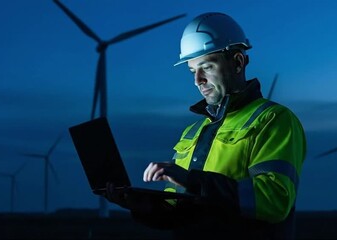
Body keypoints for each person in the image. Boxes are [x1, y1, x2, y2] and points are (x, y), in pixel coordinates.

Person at [105, 12, 306, 239]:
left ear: (238, 62)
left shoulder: (273, 120)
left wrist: (192, 181)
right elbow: (177, 210)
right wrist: (140, 205)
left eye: (206, 67)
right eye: (192, 71)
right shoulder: (192, 133)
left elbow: (274, 201)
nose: (197, 80)